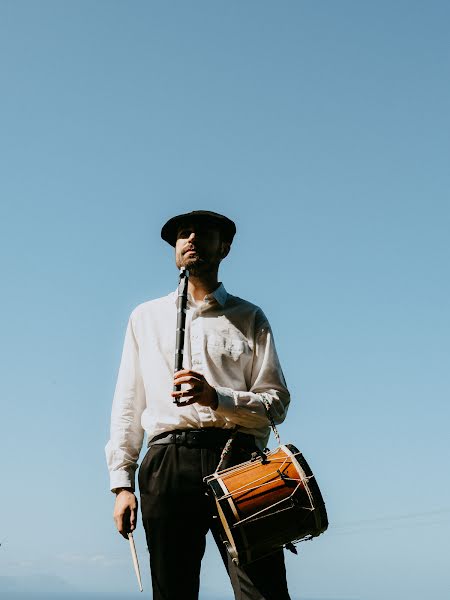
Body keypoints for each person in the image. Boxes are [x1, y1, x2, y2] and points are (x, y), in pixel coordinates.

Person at [105, 210, 292, 600]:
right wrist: (121, 483)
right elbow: (128, 401)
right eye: (182, 235)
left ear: (224, 247)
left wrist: (216, 398)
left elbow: (276, 403)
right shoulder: (145, 317)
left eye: (203, 234)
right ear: (175, 249)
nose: (190, 239)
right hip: (168, 460)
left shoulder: (249, 316)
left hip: (240, 458)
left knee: (263, 590)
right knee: (173, 591)